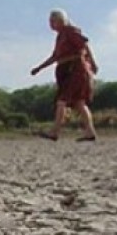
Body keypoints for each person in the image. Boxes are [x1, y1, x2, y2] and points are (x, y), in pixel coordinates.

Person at [30, 8, 98, 141]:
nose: (50, 24)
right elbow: (55, 57)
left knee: (62, 101)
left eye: (52, 21)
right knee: (79, 103)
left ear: (60, 20)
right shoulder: (60, 36)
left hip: (76, 69)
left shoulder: (70, 31)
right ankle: (90, 132)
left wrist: (93, 63)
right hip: (66, 70)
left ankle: (54, 132)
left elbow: (84, 44)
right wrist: (39, 68)